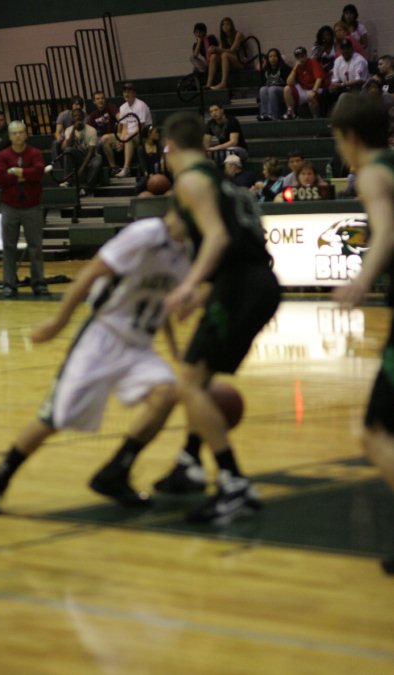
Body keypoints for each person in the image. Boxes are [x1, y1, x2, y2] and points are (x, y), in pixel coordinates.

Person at [0, 209, 191, 515]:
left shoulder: (187, 252)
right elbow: (91, 273)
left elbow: (160, 301)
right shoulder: (146, 234)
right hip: (102, 337)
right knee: (53, 420)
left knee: (167, 393)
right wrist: (59, 322)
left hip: (138, 345)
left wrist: (175, 351)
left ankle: (115, 472)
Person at [154, 112, 280, 523]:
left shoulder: (192, 181)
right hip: (250, 282)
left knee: (189, 381)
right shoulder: (217, 181)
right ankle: (190, 462)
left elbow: (220, 238)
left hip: (242, 285)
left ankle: (233, 483)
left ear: (169, 147)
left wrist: (191, 285)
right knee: (198, 378)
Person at [331, 95, 394, 574]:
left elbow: (387, 234)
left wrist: (360, 279)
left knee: (375, 432)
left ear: (349, 137)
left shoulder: (372, 173)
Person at [0, 121, 49, 298]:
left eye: (21, 132)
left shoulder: (35, 153)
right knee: (9, 247)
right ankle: (9, 284)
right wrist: (26, 174)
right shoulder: (3, 155)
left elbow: (39, 172)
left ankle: (39, 283)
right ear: (10, 136)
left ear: (26, 134)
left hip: (32, 207)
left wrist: (17, 172)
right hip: (9, 207)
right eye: (15, 133)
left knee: (36, 247)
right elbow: (0, 177)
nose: (18, 135)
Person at [60, 108, 103, 196]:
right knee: (68, 150)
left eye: (79, 115)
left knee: (98, 158)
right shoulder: (69, 130)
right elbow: (69, 145)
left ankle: (87, 188)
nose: (77, 117)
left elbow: (91, 153)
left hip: (89, 156)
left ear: (83, 117)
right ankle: (68, 181)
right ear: (72, 118)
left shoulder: (91, 130)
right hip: (78, 156)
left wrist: (81, 169)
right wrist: (73, 129)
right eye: (75, 116)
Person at [116, 83, 152, 178]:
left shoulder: (140, 105)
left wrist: (126, 138)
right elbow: (124, 127)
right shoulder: (123, 107)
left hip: (143, 135)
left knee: (128, 138)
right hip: (130, 135)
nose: (126, 94)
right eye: (124, 92)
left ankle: (126, 168)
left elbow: (141, 127)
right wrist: (121, 139)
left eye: (129, 92)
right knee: (105, 139)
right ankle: (113, 167)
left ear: (134, 93)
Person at [283, 47, 327, 120]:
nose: (301, 58)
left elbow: (319, 79)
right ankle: (291, 114)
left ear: (306, 55)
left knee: (311, 97)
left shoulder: (313, 62)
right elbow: (289, 82)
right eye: (298, 57)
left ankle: (316, 119)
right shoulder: (297, 66)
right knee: (287, 89)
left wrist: (314, 91)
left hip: (316, 89)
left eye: (302, 56)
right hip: (304, 90)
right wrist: (294, 69)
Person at [205, 17, 246, 91]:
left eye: (227, 24)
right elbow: (220, 51)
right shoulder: (223, 37)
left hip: (240, 61)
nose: (225, 26)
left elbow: (232, 50)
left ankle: (223, 83)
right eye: (223, 24)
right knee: (214, 56)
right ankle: (208, 84)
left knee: (225, 55)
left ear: (232, 25)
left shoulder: (238, 34)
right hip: (228, 62)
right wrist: (213, 49)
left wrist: (218, 49)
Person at [86, 90, 120, 175]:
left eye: (102, 98)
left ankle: (113, 167)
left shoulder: (110, 107)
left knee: (103, 140)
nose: (100, 100)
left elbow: (121, 120)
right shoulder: (93, 115)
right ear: (94, 101)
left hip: (116, 135)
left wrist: (120, 137)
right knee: (95, 143)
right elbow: (89, 130)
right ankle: (98, 170)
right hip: (103, 138)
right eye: (97, 99)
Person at [257, 48, 291, 121]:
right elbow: (262, 84)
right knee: (263, 89)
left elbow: (290, 83)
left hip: (284, 92)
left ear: (278, 57)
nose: (273, 58)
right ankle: (264, 114)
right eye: (270, 56)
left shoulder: (285, 68)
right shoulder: (265, 70)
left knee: (272, 89)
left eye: (275, 56)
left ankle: (273, 116)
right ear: (268, 59)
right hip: (271, 92)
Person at [51, 95, 85, 163]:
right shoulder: (63, 115)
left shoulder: (85, 115)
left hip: (80, 137)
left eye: (79, 105)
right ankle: (56, 165)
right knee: (55, 143)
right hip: (65, 137)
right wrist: (59, 138)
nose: (78, 107)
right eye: (76, 104)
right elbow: (58, 131)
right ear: (71, 105)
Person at [136, 125, 165, 194]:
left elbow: (163, 161)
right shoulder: (141, 149)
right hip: (148, 174)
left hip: (160, 173)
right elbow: (143, 166)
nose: (158, 134)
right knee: (140, 186)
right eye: (155, 132)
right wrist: (149, 175)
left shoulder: (160, 146)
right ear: (149, 134)